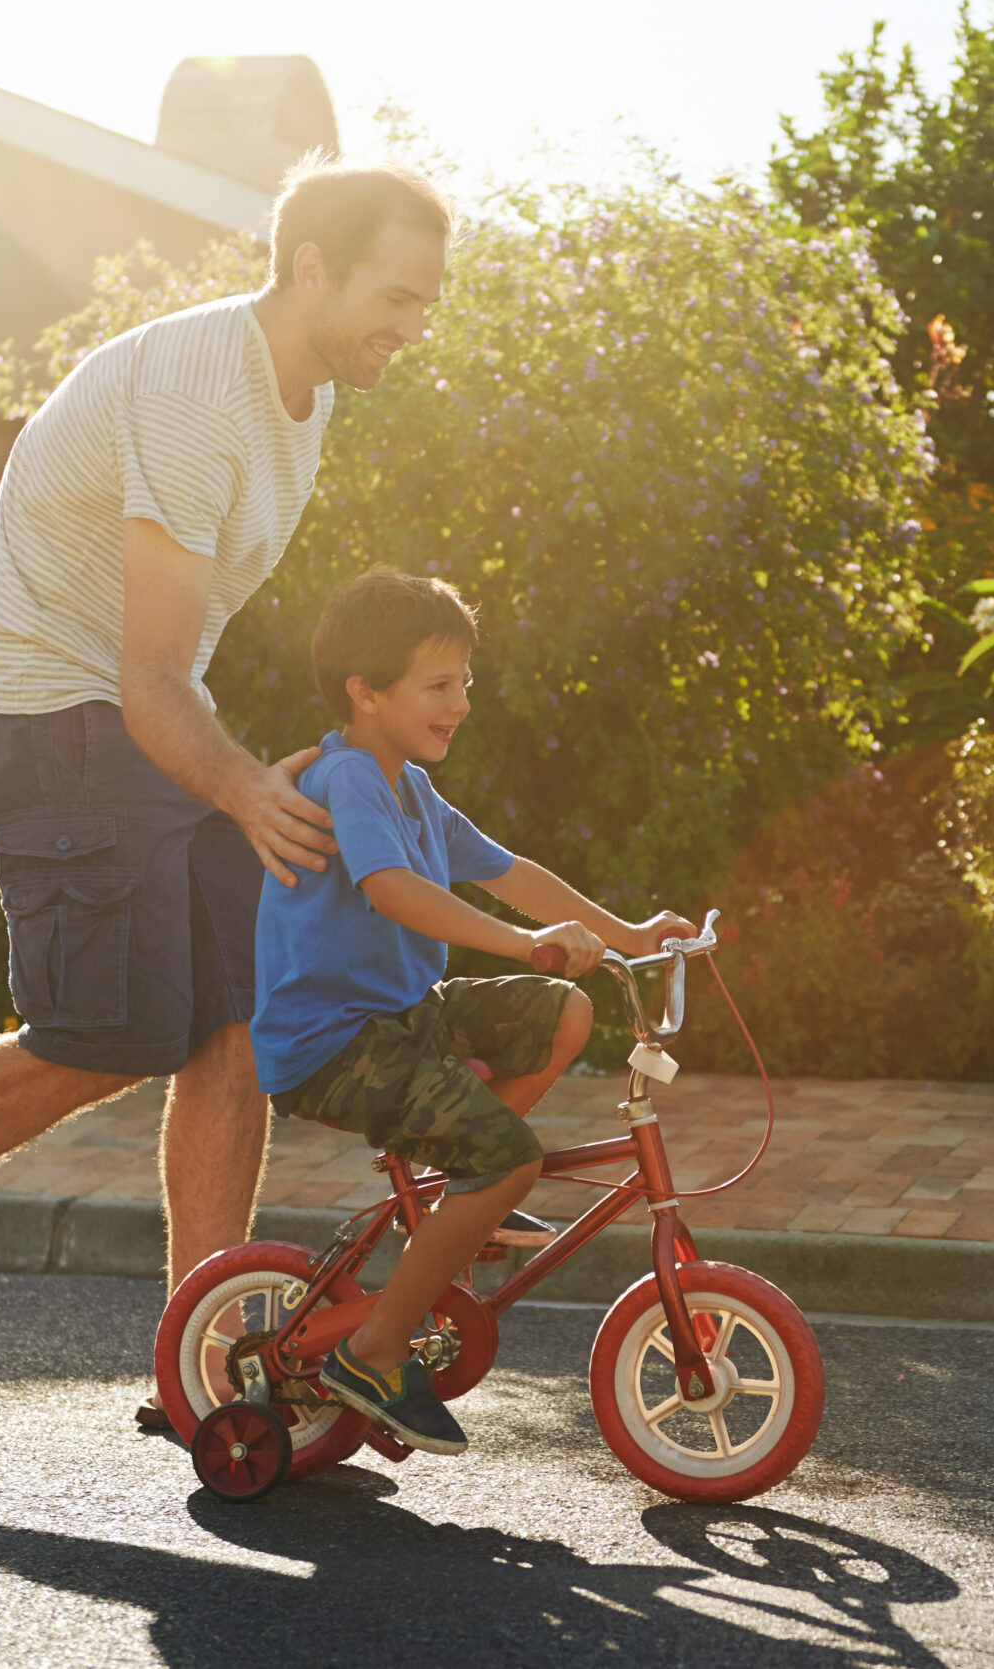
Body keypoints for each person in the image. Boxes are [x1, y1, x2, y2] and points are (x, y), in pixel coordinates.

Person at [0, 156, 452, 1410]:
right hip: (45, 710)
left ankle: (202, 1352)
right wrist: (235, 784)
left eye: (428, 303)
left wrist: (242, 777)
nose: (413, 326)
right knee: (108, 1029)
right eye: (397, 294)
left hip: (135, 716)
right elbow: (149, 675)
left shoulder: (306, 396)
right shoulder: (194, 391)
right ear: (313, 265)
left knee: (236, 1006)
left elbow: (171, 669)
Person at [254, 567, 691, 1454]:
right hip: (334, 1043)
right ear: (366, 692)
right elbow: (393, 891)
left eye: (465, 684)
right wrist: (524, 943)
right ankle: (373, 1354)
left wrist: (629, 935)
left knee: (563, 1012)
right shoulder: (350, 780)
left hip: (402, 1014)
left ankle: (466, 1194)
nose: (460, 703)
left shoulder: (410, 784)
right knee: (508, 1161)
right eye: (438, 685)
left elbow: (512, 872)